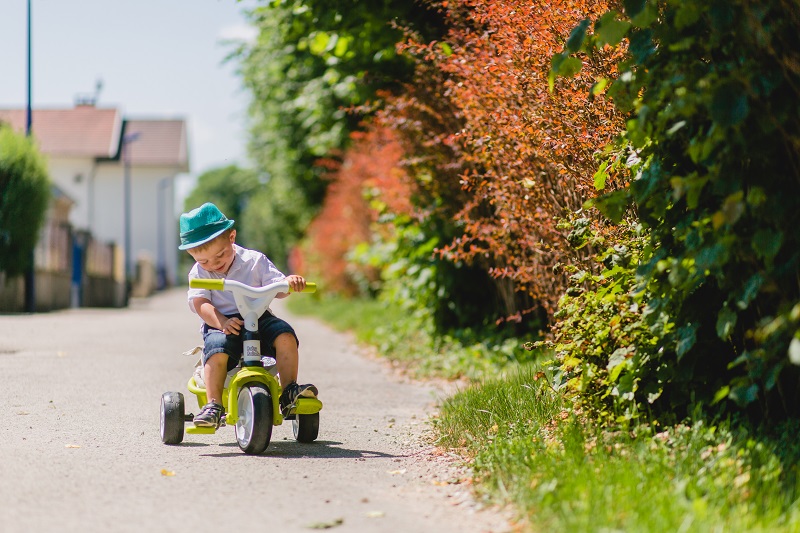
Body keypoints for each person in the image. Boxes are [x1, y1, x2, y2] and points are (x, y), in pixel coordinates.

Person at [178, 202, 318, 428]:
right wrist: (221, 321)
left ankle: (289, 390)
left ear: (232, 237)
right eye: (203, 260)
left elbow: (278, 288)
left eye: (220, 255)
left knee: (285, 335)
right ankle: (213, 405)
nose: (214, 264)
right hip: (222, 322)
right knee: (216, 349)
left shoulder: (255, 261)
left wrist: (289, 283)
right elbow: (200, 302)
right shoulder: (199, 272)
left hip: (259, 316)